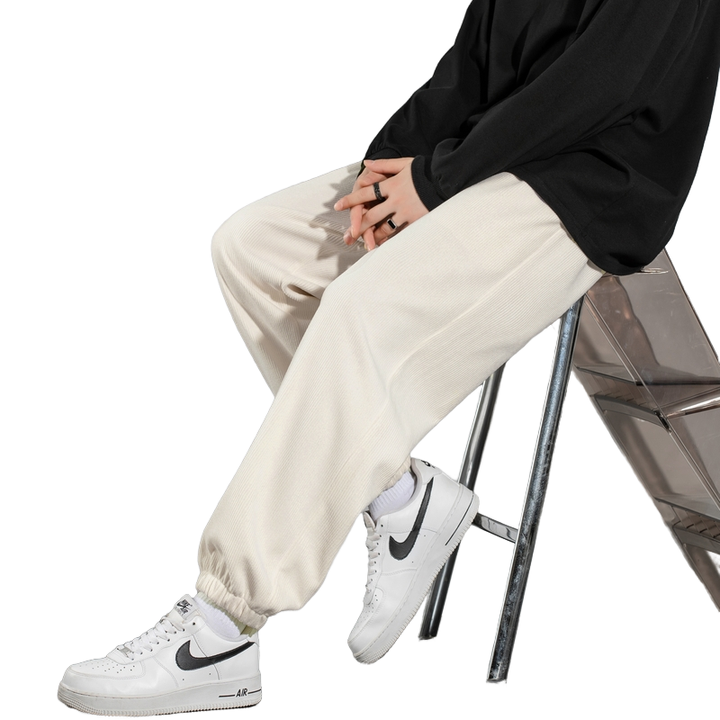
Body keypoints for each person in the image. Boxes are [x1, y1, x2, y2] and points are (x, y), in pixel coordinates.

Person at [57, 0, 720, 714]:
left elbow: (600, 87)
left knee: (358, 309)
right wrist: (387, 173)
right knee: (252, 248)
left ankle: (223, 629)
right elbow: (470, 66)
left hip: (590, 187)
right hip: (488, 161)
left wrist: (435, 184)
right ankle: (403, 498)